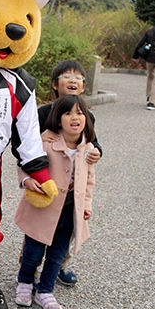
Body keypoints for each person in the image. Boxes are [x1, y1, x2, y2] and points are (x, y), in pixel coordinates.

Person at [14, 95, 96, 309]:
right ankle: (25, 282)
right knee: (33, 250)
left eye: (80, 113)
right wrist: (26, 180)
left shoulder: (87, 150)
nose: (75, 117)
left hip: (70, 211)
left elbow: (89, 181)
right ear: (58, 120)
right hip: (43, 209)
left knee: (58, 253)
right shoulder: (46, 143)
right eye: (68, 113)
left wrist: (87, 204)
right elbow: (26, 162)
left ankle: (46, 290)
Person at [34, 59, 102, 286]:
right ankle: (30, 266)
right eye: (67, 76)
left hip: (72, 191)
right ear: (55, 84)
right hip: (47, 186)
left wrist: (97, 153)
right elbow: (25, 146)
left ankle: (60, 265)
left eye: (78, 78)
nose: (73, 80)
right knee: (38, 229)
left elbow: (93, 143)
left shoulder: (87, 116)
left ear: (83, 87)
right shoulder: (43, 114)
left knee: (66, 231)